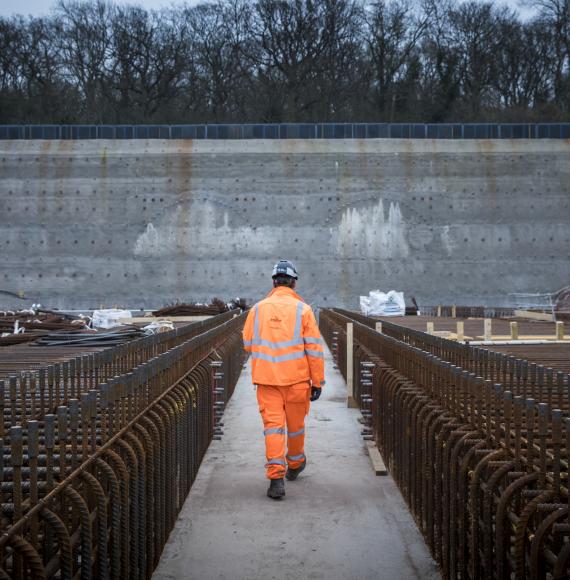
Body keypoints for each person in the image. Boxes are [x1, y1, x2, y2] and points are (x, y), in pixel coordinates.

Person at [242, 259, 325, 499]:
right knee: (296, 428)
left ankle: (276, 479)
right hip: (297, 382)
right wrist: (317, 381)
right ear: (294, 283)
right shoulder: (304, 310)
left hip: (267, 382)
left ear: (273, 282)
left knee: (273, 429)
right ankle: (296, 463)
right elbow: (314, 350)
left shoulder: (257, 309)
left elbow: (247, 344)